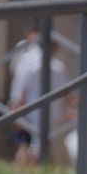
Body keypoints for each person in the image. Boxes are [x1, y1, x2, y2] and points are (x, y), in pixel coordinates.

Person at [8, 27, 71, 166]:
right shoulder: (59, 67)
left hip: (29, 115)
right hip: (51, 117)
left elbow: (19, 93)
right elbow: (67, 94)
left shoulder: (27, 61)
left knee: (25, 150)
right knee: (42, 150)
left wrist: (15, 113)